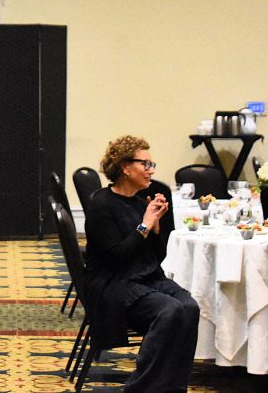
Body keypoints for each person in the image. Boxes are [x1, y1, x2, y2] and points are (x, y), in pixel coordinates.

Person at [84, 135, 199, 392]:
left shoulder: (140, 203)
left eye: (152, 164)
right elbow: (117, 258)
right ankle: (139, 388)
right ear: (125, 167)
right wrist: (144, 225)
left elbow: (155, 259)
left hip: (147, 279)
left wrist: (157, 228)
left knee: (189, 307)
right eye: (145, 164)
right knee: (169, 311)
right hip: (114, 284)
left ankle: (173, 387)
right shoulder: (101, 204)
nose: (151, 170)